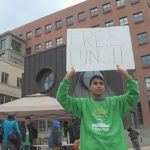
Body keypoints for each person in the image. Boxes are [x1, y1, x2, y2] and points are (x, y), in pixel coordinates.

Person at [56, 65, 140, 150]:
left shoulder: (117, 103)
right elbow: (61, 98)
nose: (98, 85)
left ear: (104, 87)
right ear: (89, 88)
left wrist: (126, 75)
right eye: (95, 83)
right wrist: (67, 77)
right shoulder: (83, 104)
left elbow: (134, 94)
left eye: (101, 83)